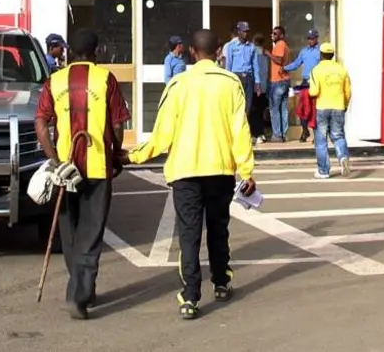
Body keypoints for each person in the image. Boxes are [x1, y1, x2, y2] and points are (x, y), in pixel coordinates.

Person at [124, 29, 256, 320]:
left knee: (189, 235)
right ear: (219, 50)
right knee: (219, 230)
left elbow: (162, 134)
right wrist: (246, 170)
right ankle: (221, 282)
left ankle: (190, 297)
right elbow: (240, 130)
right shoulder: (231, 83)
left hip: (185, 172)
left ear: (192, 53)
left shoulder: (178, 84)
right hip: (220, 170)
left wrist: (133, 155)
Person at [35, 28, 130, 320]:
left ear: (67, 52)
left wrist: (54, 159)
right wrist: (115, 152)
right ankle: (79, 293)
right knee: (91, 232)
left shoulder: (55, 80)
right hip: (97, 167)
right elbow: (117, 124)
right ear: (96, 52)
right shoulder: (105, 79)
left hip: (65, 168)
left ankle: (80, 287)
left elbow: (40, 123)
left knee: (71, 231)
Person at [309, 42, 352, 179]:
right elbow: (348, 91)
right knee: (338, 135)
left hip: (322, 107)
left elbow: (314, 91)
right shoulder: (342, 69)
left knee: (321, 140)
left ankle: (324, 171)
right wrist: (345, 105)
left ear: (321, 55)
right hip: (338, 106)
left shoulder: (316, 70)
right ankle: (342, 157)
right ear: (332, 55)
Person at [224, 21, 263, 144]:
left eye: (247, 31)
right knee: (236, 105)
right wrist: (228, 80)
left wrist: (258, 83)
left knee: (248, 107)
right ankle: (235, 133)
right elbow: (228, 65)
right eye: (244, 31)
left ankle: (244, 133)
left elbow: (255, 66)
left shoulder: (251, 47)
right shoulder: (231, 47)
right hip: (236, 77)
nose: (246, 34)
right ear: (238, 32)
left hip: (249, 78)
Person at [283, 29, 321, 142]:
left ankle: (317, 135)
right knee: (302, 109)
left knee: (315, 110)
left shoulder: (320, 51)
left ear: (317, 38)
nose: (310, 40)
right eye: (309, 38)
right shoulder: (304, 51)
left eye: (313, 38)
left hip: (316, 82)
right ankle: (305, 131)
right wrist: (284, 68)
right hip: (305, 82)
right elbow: (296, 63)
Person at [265, 26, 291, 142]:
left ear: (281, 35)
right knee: (283, 108)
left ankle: (277, 135)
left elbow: (279, 60)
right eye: (272, 33)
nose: (273, 35)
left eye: (275, 34)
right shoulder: (285, 46)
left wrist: (268, 53)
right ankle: (283, 134)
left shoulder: (280, 44)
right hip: (284, 80)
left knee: (275, 109)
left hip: (278, 81)